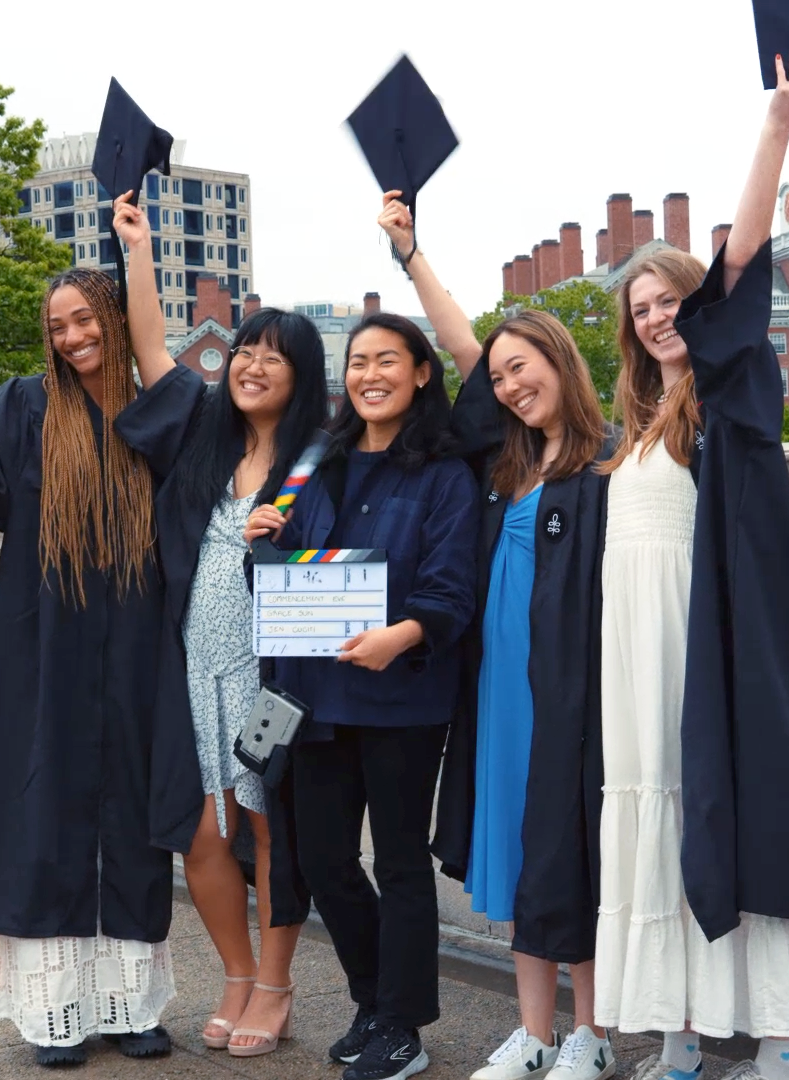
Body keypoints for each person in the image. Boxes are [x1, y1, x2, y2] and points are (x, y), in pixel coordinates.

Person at [0, 192, 204, 1068]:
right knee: (46, 816)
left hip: (140, 644)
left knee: (135, 820)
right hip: (44, 646)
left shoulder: (154, 408)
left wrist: (136, 253)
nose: (71, 337)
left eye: (83, 319)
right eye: (57, 326)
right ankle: (56, 1014)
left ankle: (133, 1006)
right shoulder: (27, 406)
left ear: (111, 316)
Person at [594, 47, 789, 1080]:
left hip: (707, 644)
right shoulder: (635, 427)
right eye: (640, 309)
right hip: (632, 661)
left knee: (724, 813)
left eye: (669, 301)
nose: (656, 318)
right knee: (652, 827)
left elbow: (739, 272)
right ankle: (681, 1033)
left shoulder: (732, 396)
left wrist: (776, 127)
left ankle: (774, 1043)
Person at [377, 193, 617, 1080]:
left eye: (527, 369)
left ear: (561, 362)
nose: (512, 385)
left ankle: (589, 1035)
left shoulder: (611, 463)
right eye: (503, 375)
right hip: (498, 690)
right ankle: (535, 1035)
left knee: (575, 855)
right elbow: (461, 348)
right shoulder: (503, 465)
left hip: (576, 694)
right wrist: (412, 257)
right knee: (516, 852)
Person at [243, 312, 479, 1080]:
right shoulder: (314, 460)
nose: (368, 375)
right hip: (313, 696)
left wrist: (402, 633)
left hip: (401, 697)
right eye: (357, 362)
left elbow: (451, 588)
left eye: (386, 361)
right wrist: (262, 538)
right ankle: (376, 1001)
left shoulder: (445, 472)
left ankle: (402, 1028)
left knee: (401, 862)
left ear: (420, 373)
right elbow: (274, 579)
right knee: (324, 859)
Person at [117, 307, 329, 1058]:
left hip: (268, 679)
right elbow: (149, 350)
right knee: (202, 833)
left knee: (271, 827)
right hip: (188, 669)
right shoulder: (203, 446)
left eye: (275, 356)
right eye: (244, 351)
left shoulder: (318, 462)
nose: (253, 365)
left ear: (302, 375)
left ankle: (274, 985)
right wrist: (136, 248)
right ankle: (236, 976)